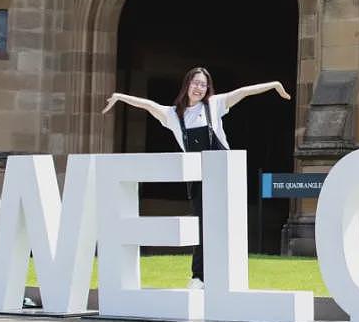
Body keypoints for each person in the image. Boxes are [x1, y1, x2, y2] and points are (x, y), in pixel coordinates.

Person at [102, 67, 291, 289]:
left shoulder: (214, 105)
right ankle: (198, 277)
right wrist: (119, 96)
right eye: (195, 83)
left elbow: (244, 92)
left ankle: (226, 277)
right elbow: (146, 104)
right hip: (198, 177)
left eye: (203, 84)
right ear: (187, 85)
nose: (199, 88)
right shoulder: (172, 115)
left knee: (226, 225)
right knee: (202, 226)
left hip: (222, 174)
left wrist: (274, 84)